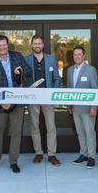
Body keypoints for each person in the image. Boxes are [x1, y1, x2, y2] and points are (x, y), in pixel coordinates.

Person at [0, 35, 32, 174]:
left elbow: (28, 70)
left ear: (7, 44)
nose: (2, 47)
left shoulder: (17, 56)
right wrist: (1, 101)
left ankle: (13, 161)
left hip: (17, 101)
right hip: (0, 103)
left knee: (16, 132)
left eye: (4, 45)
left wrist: (20, 71)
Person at [24, 35, 61, 166]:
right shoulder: (26, 59)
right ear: (32, 45)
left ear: (43, 45)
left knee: (51, 126)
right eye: (35, 43)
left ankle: (52, 155)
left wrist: (54, 93)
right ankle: (38, 153)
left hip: (47, 98)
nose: (37, 46)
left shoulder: (51, 59)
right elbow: (22, 79)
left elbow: (57, 78)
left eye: (39, 43)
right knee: (34, 126)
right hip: (33, 98)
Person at [67, 46, 98, 169]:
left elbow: (95, 89)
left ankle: (91, 157)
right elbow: (70, 88)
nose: (77, 57)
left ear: (84, 55)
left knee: (90, 132)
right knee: (80, 132)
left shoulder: (91, 70)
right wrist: (69, 105)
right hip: (75, 107)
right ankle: (83, 154)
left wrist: (94, 107)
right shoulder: (70, 70)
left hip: (87, 107)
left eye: (79, 54)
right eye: (75, 54)